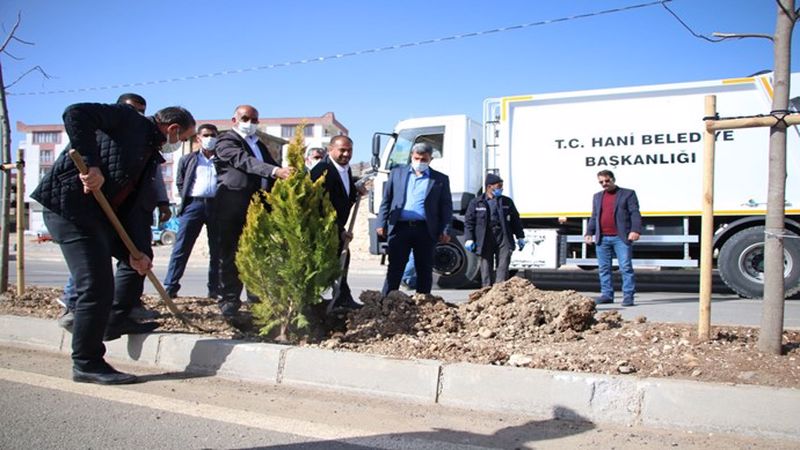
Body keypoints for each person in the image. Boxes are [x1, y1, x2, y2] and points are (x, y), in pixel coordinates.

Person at [31, 103, 196, 385]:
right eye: (183, 139)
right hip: (69, 208)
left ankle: (92, 354)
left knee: (103, 286)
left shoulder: (148, 154)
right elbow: (75, 114)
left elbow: (123, 210)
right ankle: (86, 363)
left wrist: (131, 253)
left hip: (94, 217)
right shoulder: (128, 119)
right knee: (95, 286)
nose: (180, 145)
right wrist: (91, 163)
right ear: (172, 130)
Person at [57, 93, 164, 331]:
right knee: (92, 271)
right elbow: (75, 113)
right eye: (132, 109)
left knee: (133, 258)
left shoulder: (142, 143)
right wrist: (91, 164)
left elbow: (148, 180)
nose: (137, 116)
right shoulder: (103, 132)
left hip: (121, 210)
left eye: (141, 111)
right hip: (82, 208)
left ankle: (115, 316)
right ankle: (76, 310)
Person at [214, 105, 294, 317]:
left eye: (254, 120)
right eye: (245, 118)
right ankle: (229, 300)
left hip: (258, 206)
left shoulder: (258, 144)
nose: (250, 123)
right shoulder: (226, 141)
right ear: (234, 119)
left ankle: (255, 297)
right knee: (231, 254)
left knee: (258, 253)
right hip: (233, 206)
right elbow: (244, 161)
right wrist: (275, 171)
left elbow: (271, 166)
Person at [376, 142, 453, 296]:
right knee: (395, 267)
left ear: (430, 159)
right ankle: (387, 300)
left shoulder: (440, 179)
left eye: (424, 159)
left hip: (425, 229)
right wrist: (381, 223)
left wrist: (445, 229)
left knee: (424, 267)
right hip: (400, 228)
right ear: (411, 156)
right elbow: (387, 200)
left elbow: (446, 206)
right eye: (417, 158)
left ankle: (423, 301)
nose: (420, 162)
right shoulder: (396, 174)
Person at [162, 124, 221, 300]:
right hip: (193, 205)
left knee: (217, 250)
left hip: (217, 206)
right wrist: (187, 201)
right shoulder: (188, 159)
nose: (210, 138)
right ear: (199, 138)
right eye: (206, 135)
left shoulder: (222, 160)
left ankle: (215, 289)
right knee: (181, 247)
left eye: (213, 135)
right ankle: (170, 286)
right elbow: (181, 182)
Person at [309, 135, 365, 309]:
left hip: (337, 227)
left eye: (349, 150)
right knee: (320, 265)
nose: (346, 154)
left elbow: (340, 193)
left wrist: (355, 189)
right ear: (331, 149)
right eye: (342, 150)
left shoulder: (345, 169)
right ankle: (312, 303)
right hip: (322, 229)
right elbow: (319, 206)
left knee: (343, 259)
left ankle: (342, 297)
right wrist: (338, 230)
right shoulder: (322, 170)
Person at [584, 169, 642, 307]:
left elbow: (635, 213)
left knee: (625, 267)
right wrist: (589, 232)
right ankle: (607, 295)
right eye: (601, 182)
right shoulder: (597, 196)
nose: (604, 184)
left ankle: (628, 296)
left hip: (620, 237)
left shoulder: (628, 194)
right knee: (604, 268)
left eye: (607, 180)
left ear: (613, 179)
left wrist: (635, 230)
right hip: (602, 238)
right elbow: (594, 216)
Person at [464, 174, 526, 287]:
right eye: (498, 186)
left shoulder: (507, 202)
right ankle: (486, 290)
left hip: (503, 236)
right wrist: (469, 239)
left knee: (503, 264)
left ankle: (500, 290)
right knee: (486, 265)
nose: (501, 189)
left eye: (502, 186)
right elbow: (469, 222)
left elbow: (515, 220)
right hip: (485, 237)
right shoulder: (476, 203)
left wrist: (520, 236)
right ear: (489, 187)